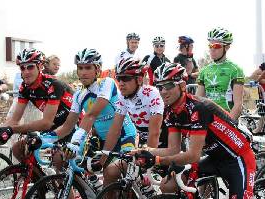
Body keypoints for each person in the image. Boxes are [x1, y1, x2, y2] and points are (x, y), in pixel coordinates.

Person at [132, 63, 256, 199]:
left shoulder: (199, 108)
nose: (163, 91)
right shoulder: (170, 112)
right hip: (214, 158)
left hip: (238, 158)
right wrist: (143, 151)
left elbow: (193, 156)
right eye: (159, 87)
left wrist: (156, 160)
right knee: (167, 185)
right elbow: (173, 149)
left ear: (183, 86)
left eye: (168, 86)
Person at [53, 48, 136, 171]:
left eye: (88, 68)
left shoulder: (107, 83)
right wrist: (45, 138)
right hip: (103, 139)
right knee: (63, 159)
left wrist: (75, 142)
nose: (83, 72)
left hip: (124, 136)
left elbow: (91, 115)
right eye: (80, 68)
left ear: (97, 69)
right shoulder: (78, 95)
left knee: (111, 173)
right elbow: (67, 126)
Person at [0, 48, 74, 163]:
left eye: (30, 67)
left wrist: (11, 129)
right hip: (54, 127)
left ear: (40, 67)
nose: (26, 71)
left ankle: (58, 180)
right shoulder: (25, 87)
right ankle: (41, 180)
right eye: (22, 67)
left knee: (58, 159)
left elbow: (46, 123)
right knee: (18, 149)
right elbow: (14, 119)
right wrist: (0, 130)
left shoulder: (53, 85)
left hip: (72, 126)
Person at [99, 57, 164, 190]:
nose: (121, 83)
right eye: (119, 78)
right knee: (110, 172)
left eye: (126, 78)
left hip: (163, 143)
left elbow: (155, 132)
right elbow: (115, 130)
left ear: (139, 80)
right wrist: (104, 156)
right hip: (142, 144)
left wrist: (147, 163)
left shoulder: (152, 94)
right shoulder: (122, 97)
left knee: (165, 187)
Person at [196, 27, 245, 120]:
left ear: (227, 47)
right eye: (210, 46)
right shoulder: (204, 70)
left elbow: (238, 104)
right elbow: (198, 100)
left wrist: (228, 125)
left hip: (226, 117)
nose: (212, 49)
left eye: (216, 46)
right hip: (207, 118)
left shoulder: (235, 69)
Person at [249, 62, 265, 134]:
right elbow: (253, 76)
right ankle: (259, 128)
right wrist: (261, 79)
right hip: (263, 91)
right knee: (262, 111)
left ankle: (259, 128)